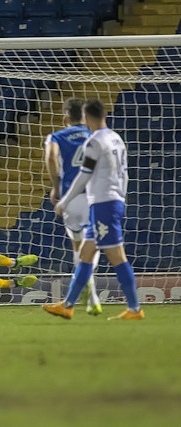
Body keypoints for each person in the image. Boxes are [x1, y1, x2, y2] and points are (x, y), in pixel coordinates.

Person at [43, 99, 144, 320]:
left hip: (103, 204)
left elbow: (84, 175)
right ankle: (68, 305)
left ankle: (135, 308)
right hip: (109, 201)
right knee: (86, 255)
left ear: (86, 118)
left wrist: (64, 200)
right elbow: (124, 173)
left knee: (117, 257)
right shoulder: (116, 138)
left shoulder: (94, 141)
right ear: (105, 114)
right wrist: (121, 197)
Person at [45, 98, 102, 315]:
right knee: (92, 247)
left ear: (65, 118)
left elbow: (50, 158)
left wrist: (56, 187)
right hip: (94, 197)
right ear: (85, 118)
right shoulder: (95, 136)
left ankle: (89, 295)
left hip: (70, 198)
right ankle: (92, 297)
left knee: (77, 246)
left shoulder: (56, 136)